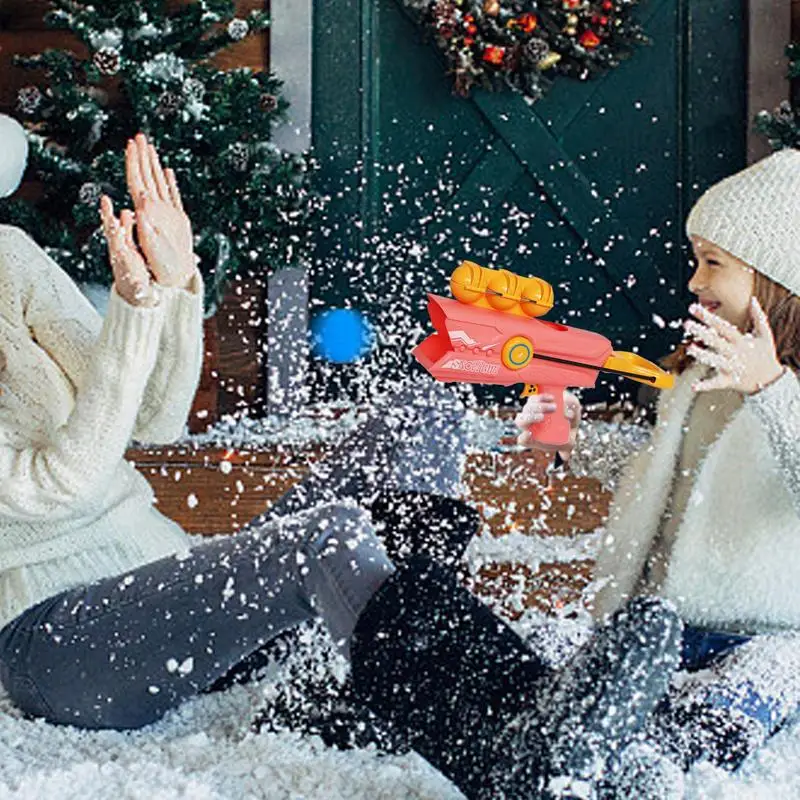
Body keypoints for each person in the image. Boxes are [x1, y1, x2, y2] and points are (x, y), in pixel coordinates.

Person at [514, 148, 800, 797]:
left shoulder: (783, 390)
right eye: (695, 260)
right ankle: (579, 729)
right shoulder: (696, 378)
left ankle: (665, 760)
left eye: (713, 263)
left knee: (769, 678)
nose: (695, 281)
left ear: (778, 278)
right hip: (662, 622)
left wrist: (773, 388)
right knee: (552, 649)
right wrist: (574, 443)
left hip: (771, 635)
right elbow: (663, 474)